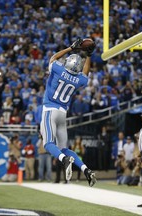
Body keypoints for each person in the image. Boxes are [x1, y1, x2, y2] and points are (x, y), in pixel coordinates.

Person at [40, 38, 97, 187]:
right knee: (64, 148)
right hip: (62, 114)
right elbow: (86, 74)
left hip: (50, 109)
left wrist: (71, 48)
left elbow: (53, 58)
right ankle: (86, 169)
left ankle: (64, 160)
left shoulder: (58, 69)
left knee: (48, 143)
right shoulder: (79, 80)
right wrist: (89, 56)